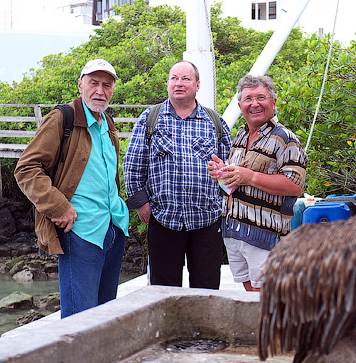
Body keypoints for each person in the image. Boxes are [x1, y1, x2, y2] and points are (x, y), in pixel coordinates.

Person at [15, 58, 129, 318]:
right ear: (81, 85)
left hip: (113, 230)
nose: (100, 91)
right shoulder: (62, 118)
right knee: (80, 320)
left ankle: (99, 361)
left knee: (103, 317)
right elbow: (26, 169)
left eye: (107, 85)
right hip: (81, 233)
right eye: (94, 83)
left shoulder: (107, 124)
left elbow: (108, 178)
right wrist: (59, 207)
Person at [124, 60, 232, 288]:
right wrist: (141, 203)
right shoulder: (149, 119)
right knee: (163, 291)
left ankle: (201, 326)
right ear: (167, 83)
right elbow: (133, 165)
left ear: (197, 84)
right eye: (174, 78)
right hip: (163, 219)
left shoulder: (215, 122)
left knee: (206, 290)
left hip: (207, 220)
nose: (179, 84)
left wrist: (224, 202)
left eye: (185, 79)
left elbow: (229, 171)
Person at [208, 74, 307, 291]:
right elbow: (236, 181)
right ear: (240, 105)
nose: (254, 104)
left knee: (267, 298)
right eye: (248, 99)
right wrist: (222, 173)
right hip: (234, 230)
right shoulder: (241, 136)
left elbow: (295, 185)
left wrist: (249, 176)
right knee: (249, 296)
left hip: (265, 235)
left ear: (273, 102)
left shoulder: (286, 139)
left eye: (260, 97)